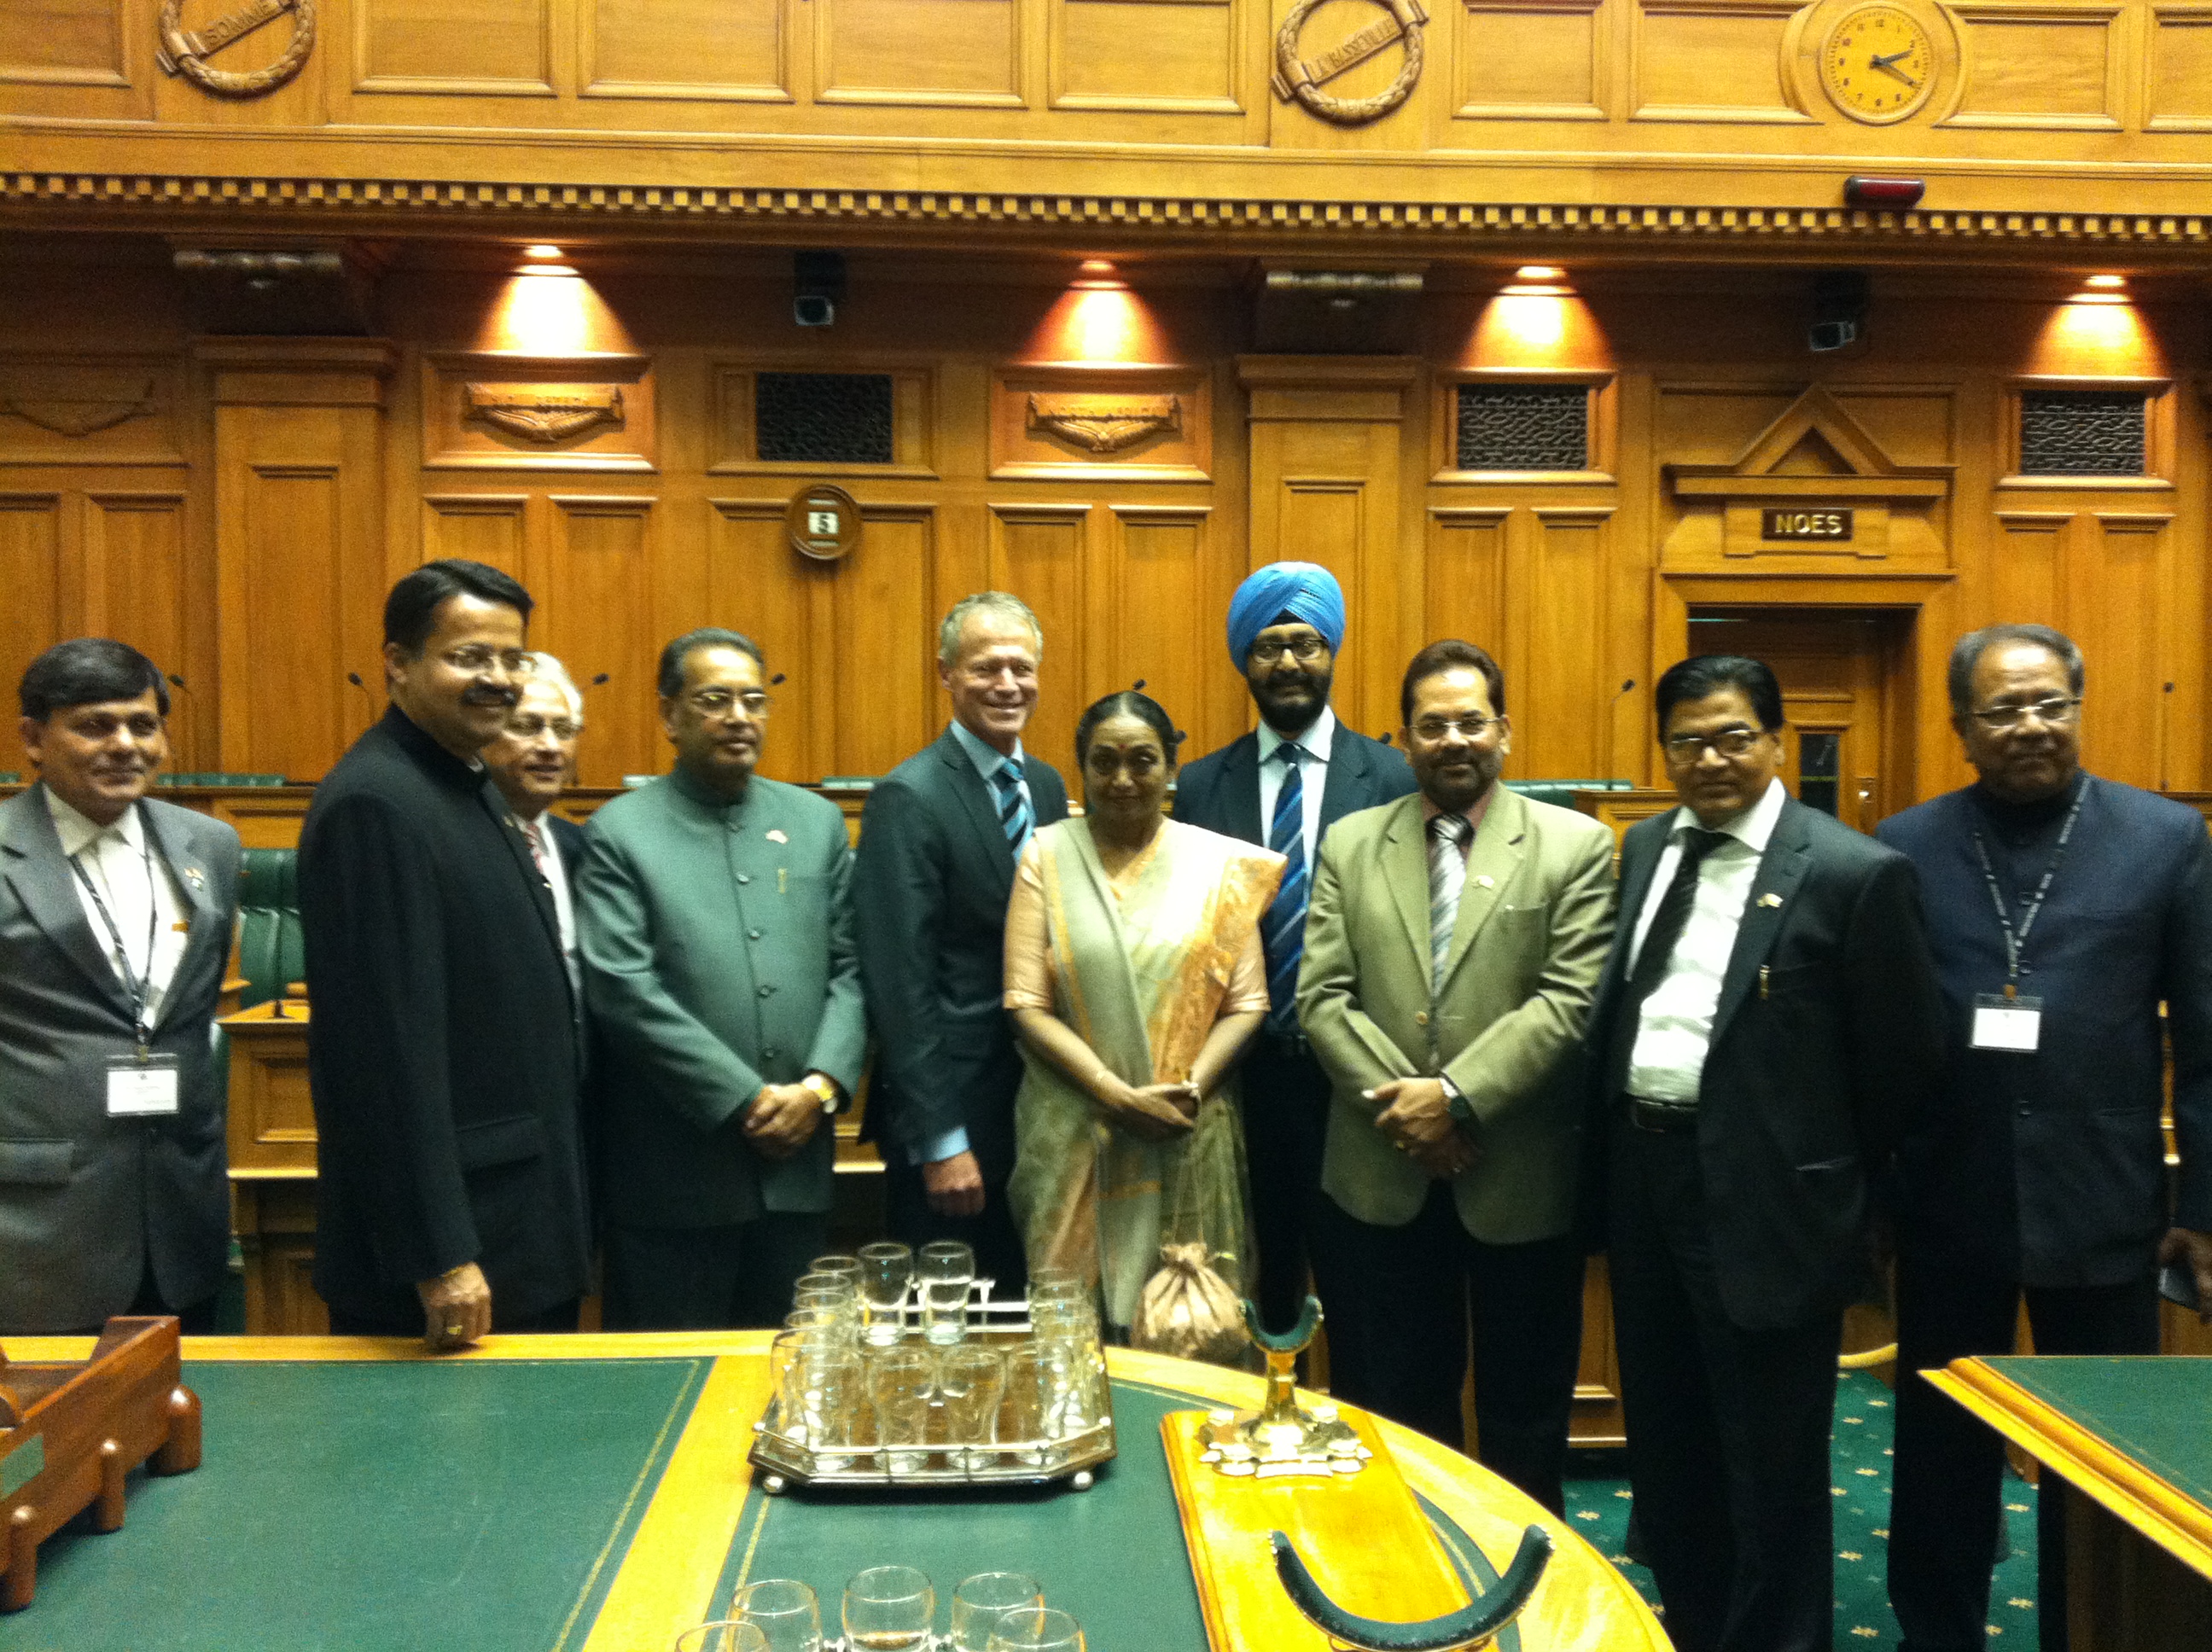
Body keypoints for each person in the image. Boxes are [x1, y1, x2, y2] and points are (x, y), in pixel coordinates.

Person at [1582, 654, 1945, 1652]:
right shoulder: (1651, 845)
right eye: (1688, 741)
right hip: (1648, 1181)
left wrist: (1832, 1188)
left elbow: (1903, 1065)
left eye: (1733, 736)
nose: (1710, 759)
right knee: (1670, 1445)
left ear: (1776, 740)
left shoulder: (1852, 871)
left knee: (1772, 1464)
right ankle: (1694, 1630)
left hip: (1772, 1206)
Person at [1879, 624, 2212, 1652]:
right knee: (1941, 1450)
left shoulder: (2164, 839)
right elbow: (1880, 1045)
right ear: (1961, 729)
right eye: (2002, 710)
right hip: (1946, 1199)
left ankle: (2098, 1627)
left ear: (2077, 704)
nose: (2029, 726)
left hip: (2105, 1201)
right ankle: (1938, 1632)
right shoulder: (1904, 845)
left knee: (2104, 1454)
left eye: (2048, 704)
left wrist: (2201, 1208)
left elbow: (2207, 1041)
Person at [1296, 641, 1613, 1512]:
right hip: (1379, 1175)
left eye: (1471, 720)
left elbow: (1568, 1001)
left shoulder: (1575, 845)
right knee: (1396, 1406)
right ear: (1404, 740)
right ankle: (1414, 1583)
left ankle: (1529, 1586)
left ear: (1504, 730)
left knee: (1525, 1413)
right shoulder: (1351, 843)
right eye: (1433, 725)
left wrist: (1456, 1098)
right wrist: (1410, 1111)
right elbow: (1321, 998)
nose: (1453, 739)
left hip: (1519, 1178)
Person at [299, 559, 590, 1349]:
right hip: (450, 1259)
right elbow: (383, 1057)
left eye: (512, 658)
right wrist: (441, 1256)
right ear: (398, 663)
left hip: (520, 1223)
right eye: (469, 657)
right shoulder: (378, 805)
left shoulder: (468, 788)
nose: (497, 678)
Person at [577, 629, 865, 1329]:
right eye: (714, 700)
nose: (739, 717)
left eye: (754, 701)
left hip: (797, 1166)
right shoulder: (619, 831)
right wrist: (744, 1100)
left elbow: (854, 967)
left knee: (791, 1383)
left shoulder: (816, 822)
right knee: (663, 1391)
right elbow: (622, 985)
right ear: (669, 716)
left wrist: (821, 1088)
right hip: (673, 1178)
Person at [1171, 561, 1416, 1336]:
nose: (1286, 663)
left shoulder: (1391, 778)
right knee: (1252, 1289)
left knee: (1369, 1293)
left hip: (1357, 1079)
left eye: (1304, 644)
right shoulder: (1201, 786)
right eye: (1269, 646)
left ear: (1332, 652)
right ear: (1245, 659)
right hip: (1238, 1082)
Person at [1004, 690, 1282, 1329]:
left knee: (1190, 1335)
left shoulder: (1221, 865)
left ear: (1171, 768)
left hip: (1187, 1135)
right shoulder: (1045, 855)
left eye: (1143, 760)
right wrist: (1115, 1095)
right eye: (1104, 762)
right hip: (1075, 1133)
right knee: (1074, 1340)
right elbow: (1024, 1002)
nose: (1123, 779)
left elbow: (1248, 1004)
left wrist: (1184, 1093)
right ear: (1082, 770)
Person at [0, 640, 241, 1335]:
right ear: (34, 739)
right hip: (37, 1222)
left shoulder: (211, 846)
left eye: (143, 724)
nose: (125, 745)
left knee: (185, 1427)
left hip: (180, 1207)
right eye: (95, 725)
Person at [855, 593, 1071, 1293]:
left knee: (1024, 1308)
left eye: (1022, 667)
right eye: (986, 668)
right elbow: (901, 986)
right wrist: (941, 1141)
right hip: (953, 1122)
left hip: (1035, 1105)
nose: (1008, 684)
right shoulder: (908, 796)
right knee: (947, 1329)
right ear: (946, 674)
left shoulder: (1044, 784)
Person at [481, 653, 587, 1001]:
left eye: (563, 729)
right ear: (483, 736)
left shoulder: (582, 847)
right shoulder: (458, 843)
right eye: (527, 727)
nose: (550, 746)